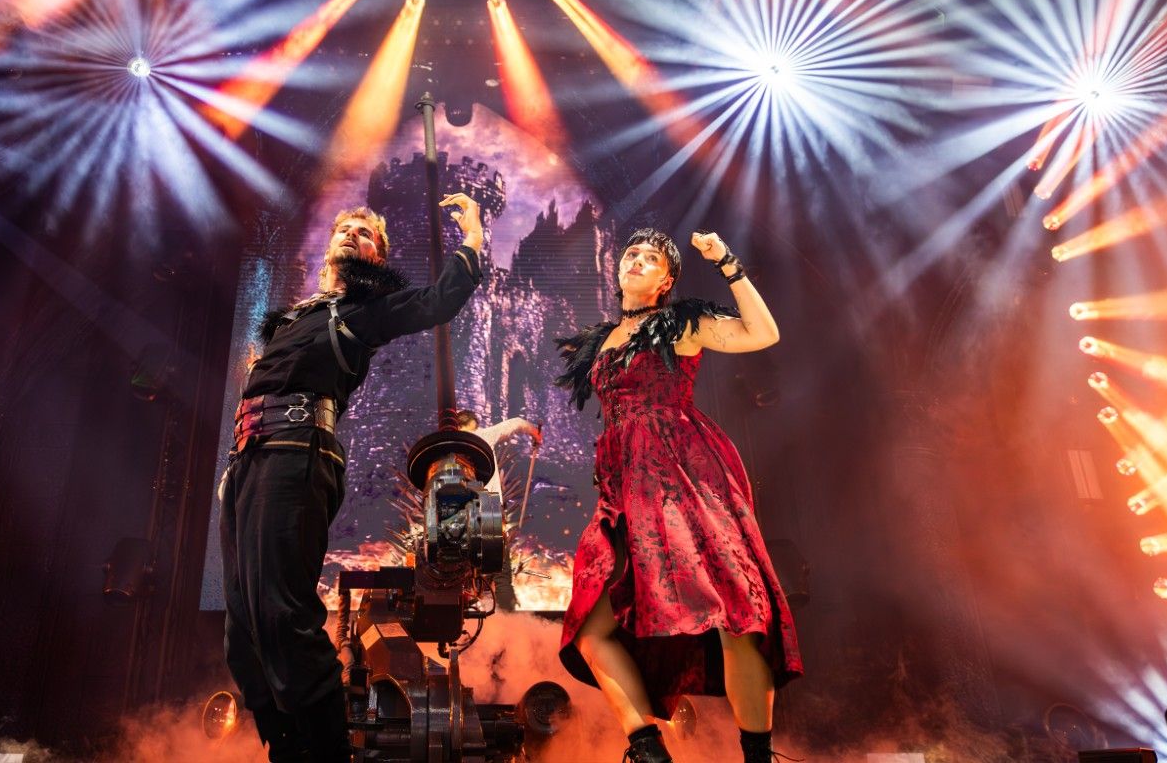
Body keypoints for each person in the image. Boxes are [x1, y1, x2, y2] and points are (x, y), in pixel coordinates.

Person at [221, 194, 487, 763]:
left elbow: (441, 301)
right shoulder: (295, 316)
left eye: (365, 234)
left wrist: (473, 235)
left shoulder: (368, 311)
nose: (352, 236)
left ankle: (327, 752)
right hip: (249, 459)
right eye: (346, 229)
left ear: (375, 257)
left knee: (283, 613)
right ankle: (288, 750)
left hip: (298, 451)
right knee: (242, 637)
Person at [555, 228, 801, 763]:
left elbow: (763, 333)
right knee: (588, 627)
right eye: (631, 254)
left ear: (667, 280)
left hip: (682, 472)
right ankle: (648, 750)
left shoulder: (680, 324)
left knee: (740, 612)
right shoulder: (602, 340)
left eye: (651, 258)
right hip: (623, 486)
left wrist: (727, 263)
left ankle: (758, 755)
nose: (637, 261)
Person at [452, 408, 542, 610]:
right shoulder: (483, 436)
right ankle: (506, 614)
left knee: (462, 565)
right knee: (499, 566)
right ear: (474, 423)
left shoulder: (452, 445)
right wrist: (536, 434)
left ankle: (463, 615)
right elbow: (517, 422)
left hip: (460, 510)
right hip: (488, 505)